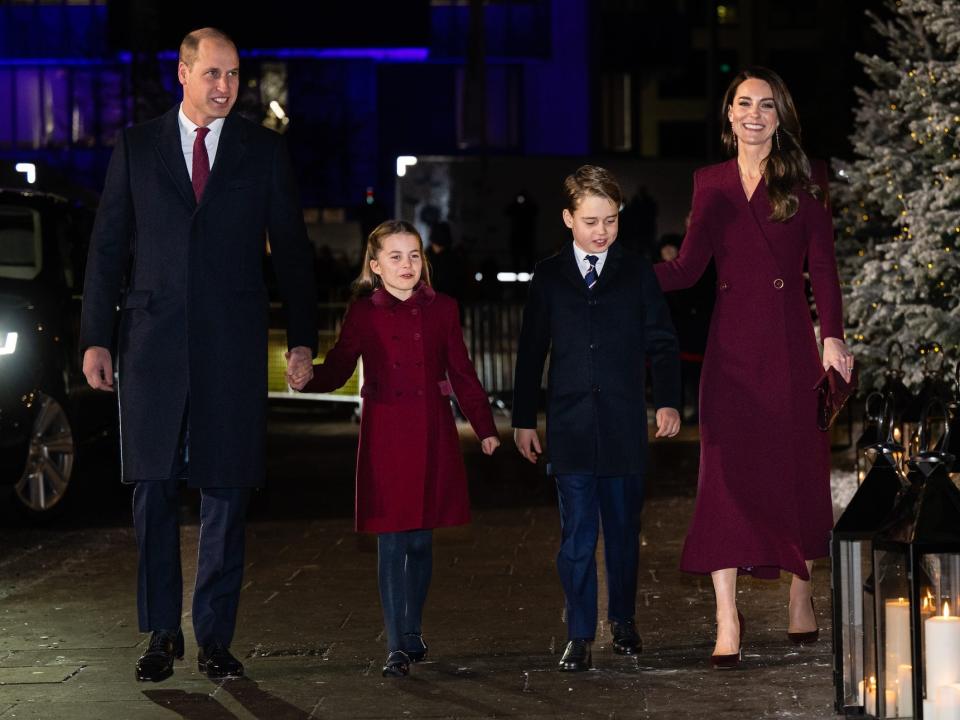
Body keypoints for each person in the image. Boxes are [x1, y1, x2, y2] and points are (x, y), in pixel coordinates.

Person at [79, 28, 318, 682]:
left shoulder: (263, 152)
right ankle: (161, 632)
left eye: (234, 74)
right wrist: (95, 338)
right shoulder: (135, 147)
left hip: (232, 347)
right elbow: (107, 250)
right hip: (150, 346)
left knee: (226, 491)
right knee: (152, 490)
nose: (225, 86)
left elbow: (293, 253)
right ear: (183, 73)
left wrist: (302, 339)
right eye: (213, 73)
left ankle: (213, 636)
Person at [653, 67, 854, 669]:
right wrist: (623, 272)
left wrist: (834, 337)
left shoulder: (807, 179)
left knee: (797, 469)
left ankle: (801, 589)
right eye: (744, 103)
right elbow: (688, 269)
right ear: (729, 115)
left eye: (767, 105)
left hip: (791, 346)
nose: (755, 114)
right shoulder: (708, 183)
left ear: (779, 115)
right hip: (732, 351)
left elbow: (823, 267)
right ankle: (726, 615)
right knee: (723, 478)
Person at [302, 220, 500, 678]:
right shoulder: (363, 313)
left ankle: (412, 629)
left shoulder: (444, 308)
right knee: (391, 541)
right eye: (395, 256)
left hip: (432, 431)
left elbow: (463, 372)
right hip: (385, 434)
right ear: (375, 266)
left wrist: (485, 427)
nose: (407, 264)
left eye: (414, 255)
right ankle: (396, 643)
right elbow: (339, 366)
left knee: (420, 540)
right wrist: (308, 375)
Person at [512, 165, 681, 672]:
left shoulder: (637, 272)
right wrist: (524, 419)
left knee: (625, 532)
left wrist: (668, 401)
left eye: (610, 219)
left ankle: (624, 620)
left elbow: (663, 342)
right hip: (570, 429)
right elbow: (530, 352)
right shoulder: (547, 276)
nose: (601, 230)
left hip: (624, 427)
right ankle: (579, 632)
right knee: (577, 538)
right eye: (590, 220)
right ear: (568, 219)